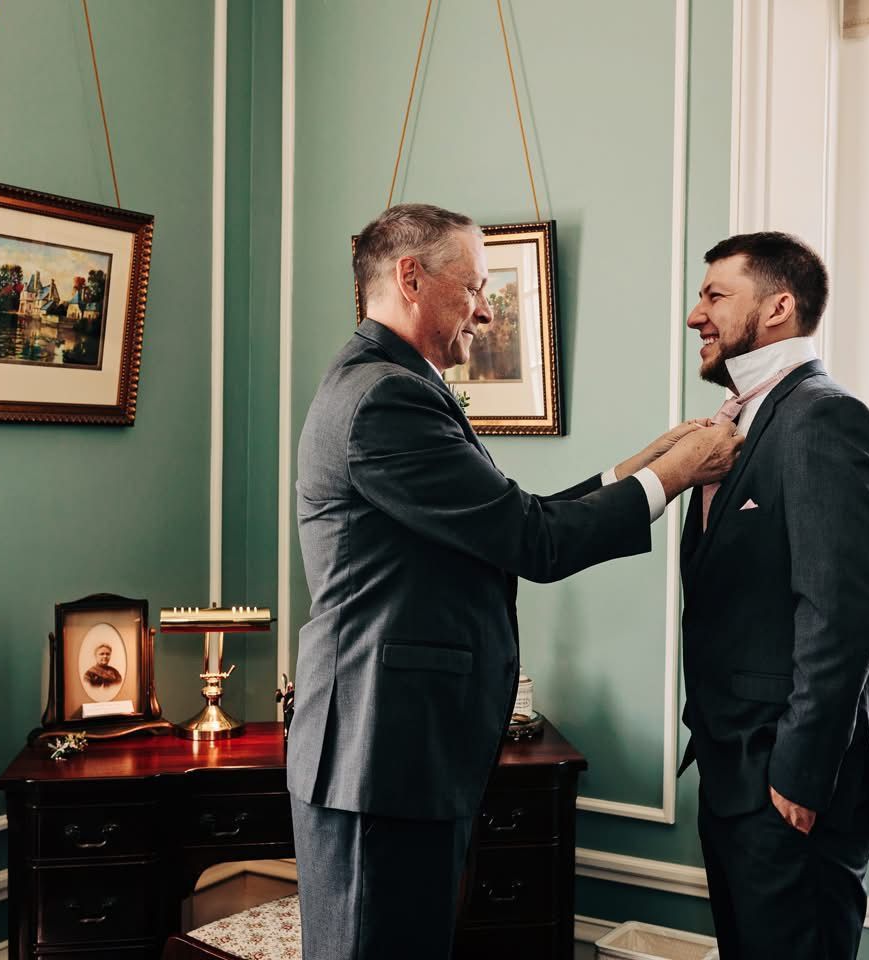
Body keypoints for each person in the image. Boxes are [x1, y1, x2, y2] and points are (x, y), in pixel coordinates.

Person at [289, 202, 743, 960]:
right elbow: (532, 541)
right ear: (410, 276)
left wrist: (638, 466)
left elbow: (502, 525)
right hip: (381, 755)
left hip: (401, 751)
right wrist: (674, 477)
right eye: (473, 287)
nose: (485, 309)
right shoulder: (385, 398)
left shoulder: (391, 384)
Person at [677, 232, 869, 959]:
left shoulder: (823, 417)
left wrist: (797, 778)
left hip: (790, 786)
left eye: (714, 295)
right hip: (733, 770)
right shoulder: (744, 421)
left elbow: (842, 611)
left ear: (778, 307)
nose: (694, 315)